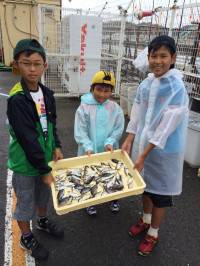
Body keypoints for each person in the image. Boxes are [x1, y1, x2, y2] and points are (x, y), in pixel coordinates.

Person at [122, 35, 189, 256]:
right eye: (154, 55)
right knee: (146, 188)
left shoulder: (176, 87)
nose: (157, 61)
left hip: (164, 150)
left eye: (163, 56)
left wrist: (142, 155)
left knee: (160, 194)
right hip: (144, 146)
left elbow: (166, 127)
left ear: (173, 58)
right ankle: (145, 219)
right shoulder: (147, 83)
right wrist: (130, 138)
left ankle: (154, 232)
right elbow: (138, 111)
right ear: (148, 56)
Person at [7, 39, 64, 261]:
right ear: (17, 64)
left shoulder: (47, 94)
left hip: (44, 161)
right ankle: (26, 236)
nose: (32, 69)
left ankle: (41, 222)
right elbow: (28, 139)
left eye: (37, 64)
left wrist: (57, 145)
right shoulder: (17, 99)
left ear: (45, 66)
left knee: (43, 196)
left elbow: (52, 123)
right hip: (25, 164)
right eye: (26, 63)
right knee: (25, 202)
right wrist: (43, 169)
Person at [74, 70, 125, 216]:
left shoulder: (115, 108)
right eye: (99, 89)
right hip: (88, 150)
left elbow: (118, 128)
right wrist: (87, 146)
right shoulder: (84, 107)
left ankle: (113, 197)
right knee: (89, 174)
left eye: (107, 90)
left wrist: (110, 141)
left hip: (109, 149)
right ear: (92, 88)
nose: (102, 94)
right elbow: (80, 131)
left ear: (111, 91)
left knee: (111, 173)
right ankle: (90, 200)